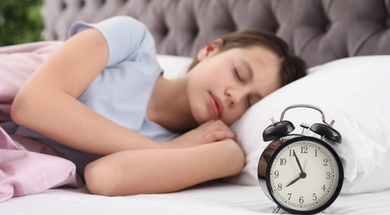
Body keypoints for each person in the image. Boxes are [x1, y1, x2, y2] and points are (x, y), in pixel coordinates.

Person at [8, 16, 307, 196]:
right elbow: (32, 104)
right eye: (239, 74)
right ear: (209, 49)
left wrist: (194, 153)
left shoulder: (198, 149)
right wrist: (163, 152)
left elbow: (104, 177)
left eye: (250, 102)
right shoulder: (132, 41)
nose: (235, 96)